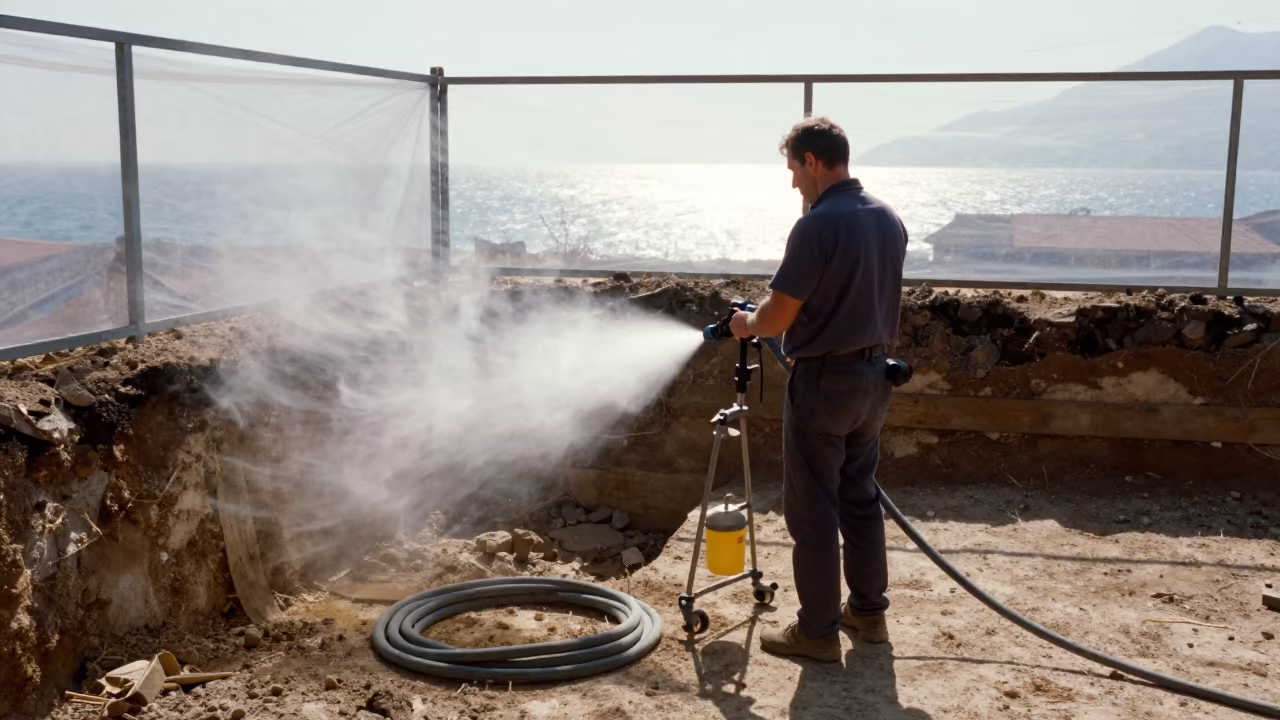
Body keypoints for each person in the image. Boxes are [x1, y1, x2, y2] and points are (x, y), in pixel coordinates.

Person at [728, 116, 907, 662]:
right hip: (874, 378)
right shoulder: (887, 218)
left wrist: (746, 323)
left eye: (792, 169)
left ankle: (817, 632)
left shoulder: (817, 225)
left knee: (813, 510)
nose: (792, 183)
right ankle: (869, 614)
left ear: (811, 160)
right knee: (860, 497)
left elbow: (777, 317)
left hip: (825, 384)